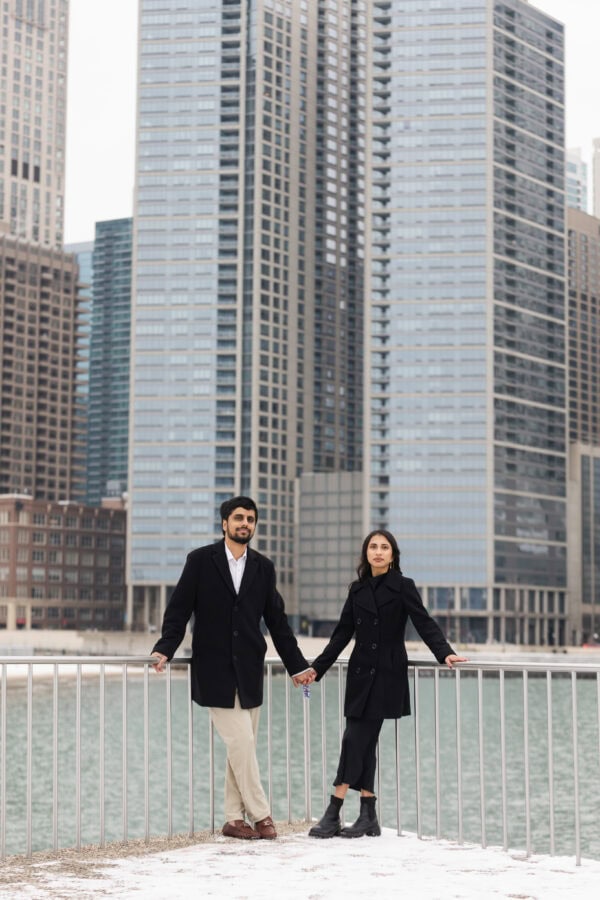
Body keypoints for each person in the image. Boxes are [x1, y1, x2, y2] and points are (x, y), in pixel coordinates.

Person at [151, 496, 312, 841]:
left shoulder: (263, 567)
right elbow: (179, 610)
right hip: (213, 669)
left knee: (243, 748)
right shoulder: (200, 561)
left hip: (250, 670)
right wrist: (165, 648)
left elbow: (278, 623)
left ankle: (232, 819)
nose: (245, 524)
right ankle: (262, 813)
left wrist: (298, 667)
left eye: (251, 519)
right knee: (240, 741)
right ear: (224, 523)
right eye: (239, 518)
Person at [304, 529, 467, 839]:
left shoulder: (403, 587)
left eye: (384, 547)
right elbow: (342, 634)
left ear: (393, 555)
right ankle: (368, 814)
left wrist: (444, 653)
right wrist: (317, 669)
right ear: (366, 553)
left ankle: (334, 810)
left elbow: (424, 622)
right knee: (362, 743)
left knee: (354, 739)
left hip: (387, 675)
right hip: (360, 674)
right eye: (373, 547)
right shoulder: (356, 590)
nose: (378, 551)